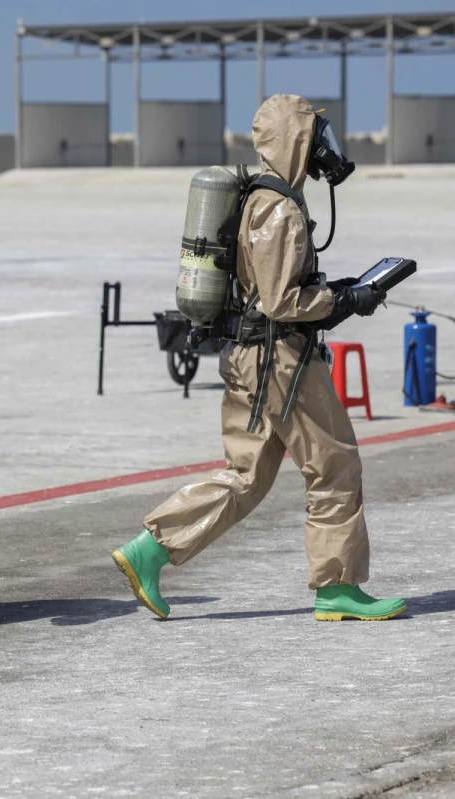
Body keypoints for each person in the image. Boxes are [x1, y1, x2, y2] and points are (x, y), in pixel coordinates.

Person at [111, 95, 406, 623]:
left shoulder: (260, 198)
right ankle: (338, 587)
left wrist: (335, 291)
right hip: (282, 360)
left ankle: (149, 551)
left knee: (246, 475)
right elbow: (282, 301)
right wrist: (345, 301)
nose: (324, 149)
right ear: (297, 140)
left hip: (253, 356)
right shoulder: (281, 208)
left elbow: (272, 289)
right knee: (335, 464)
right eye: (317, 138)